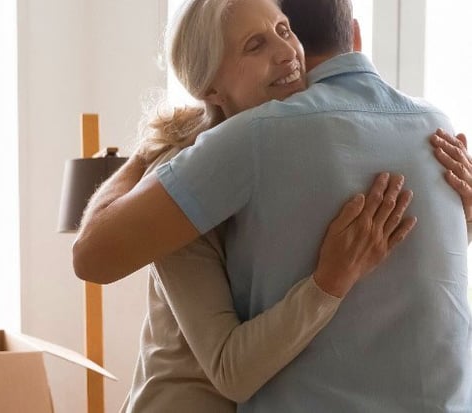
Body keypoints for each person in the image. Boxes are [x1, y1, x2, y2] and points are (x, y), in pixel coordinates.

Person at [75, 0, 472, 411]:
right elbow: (230, 369)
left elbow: (382, 272)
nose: (286, 53)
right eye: (254, 45)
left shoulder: (285, 152)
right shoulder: (192, 171)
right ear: (209, 86)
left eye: (284, 31)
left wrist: (458, 220)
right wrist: (146, 156)